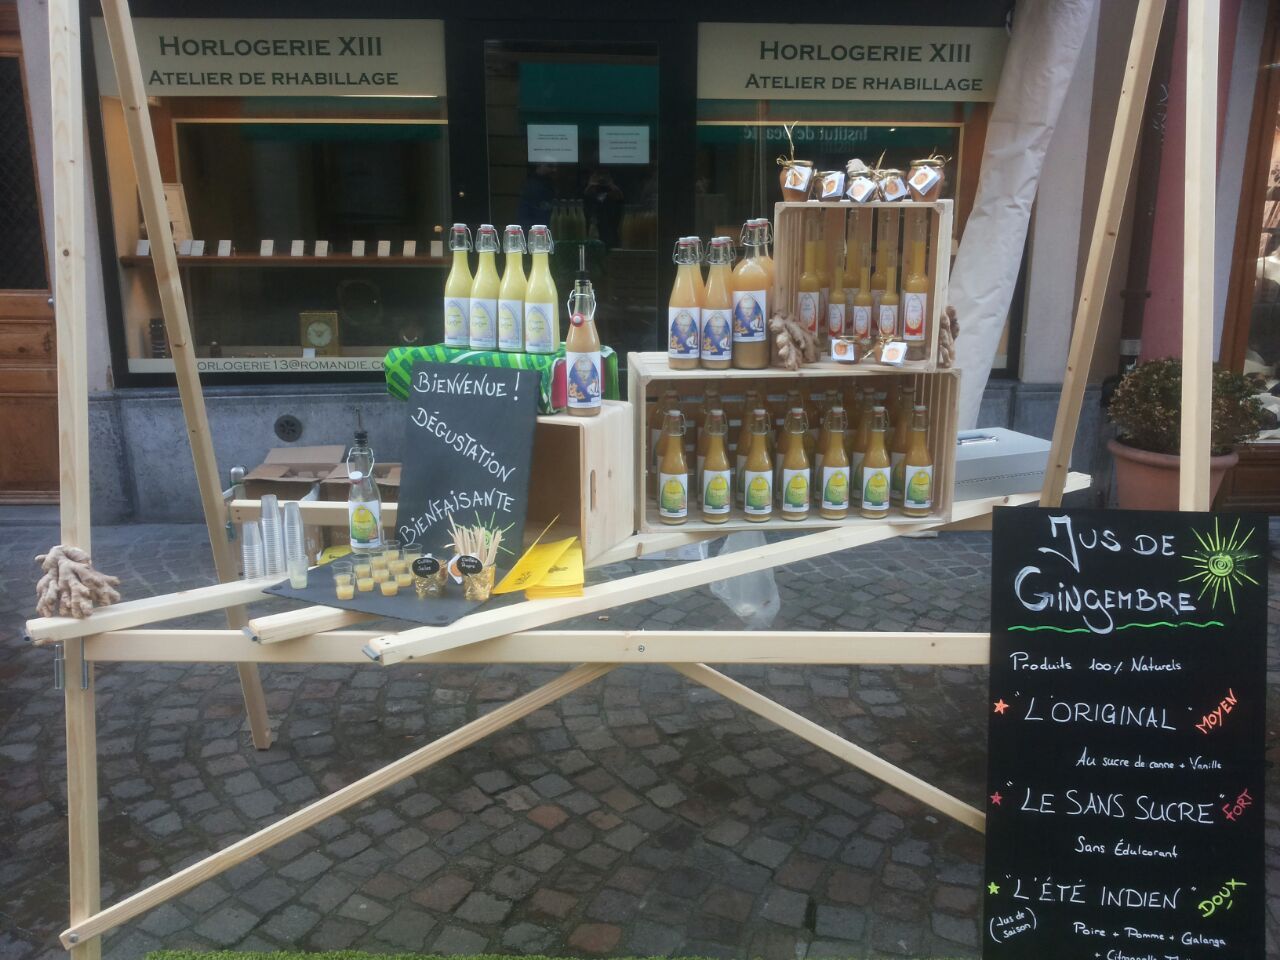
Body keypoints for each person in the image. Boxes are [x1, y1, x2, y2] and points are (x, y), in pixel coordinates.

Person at [583, 169, 624, 248]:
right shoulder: (588, 195)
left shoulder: (615, 195)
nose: (601, 179)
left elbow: (620, 214)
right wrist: (588, 191)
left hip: (610, 237)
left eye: (605, 176)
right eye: (597, 176)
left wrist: (615, 190)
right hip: (591, 238)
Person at [516, 163, 556, 232]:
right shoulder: (532, 184)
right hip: (533, 223)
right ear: (539, 165)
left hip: (542, 224)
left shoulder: (548, 181)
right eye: (550, 166)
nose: (554, 170)